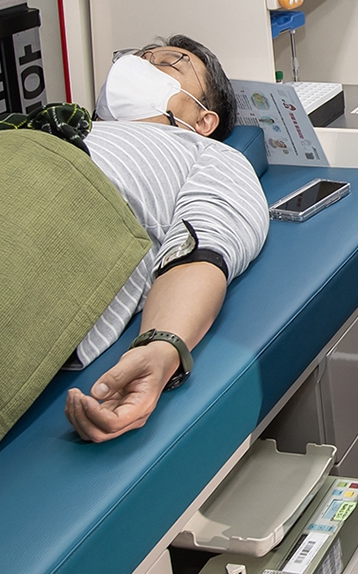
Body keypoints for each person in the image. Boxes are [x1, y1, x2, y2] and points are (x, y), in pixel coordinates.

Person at [61, 37, 270, 443]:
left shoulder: (208, 154)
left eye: (168, 63)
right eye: (140, 58)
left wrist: (160, 348)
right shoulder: (73, 126)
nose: (141, 65)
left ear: (204, 120)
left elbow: (199, 249)